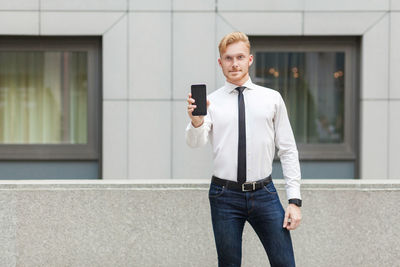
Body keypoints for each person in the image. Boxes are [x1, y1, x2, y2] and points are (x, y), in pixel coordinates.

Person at [185, 32, 302, 267]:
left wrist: (294, 200)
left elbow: (288, 149)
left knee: (285, 263)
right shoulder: (211, 102)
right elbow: (195, 143)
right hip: (224, 195)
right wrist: (196, 121)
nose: (234, 63)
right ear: (220, 62)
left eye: (240, 57)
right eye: (228, 58)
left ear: (250, 59)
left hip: (264, 193)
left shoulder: (272, 98)